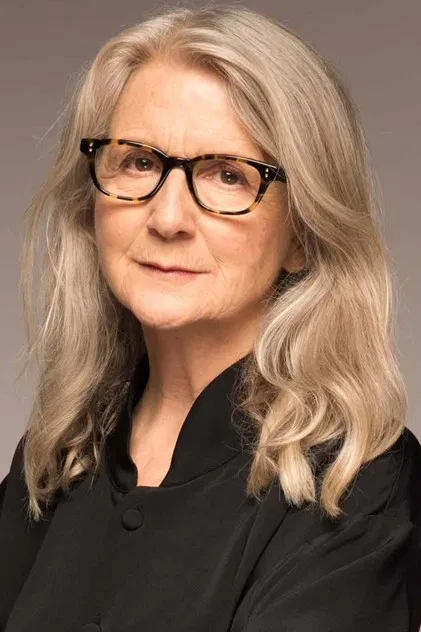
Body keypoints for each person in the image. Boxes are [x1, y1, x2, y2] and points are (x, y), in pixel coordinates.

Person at [0, 5, 420, 632]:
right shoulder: (53, 458)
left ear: (304, 232)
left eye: (228, 175)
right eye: (139, 162)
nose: (168, 218)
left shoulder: (357, 483)